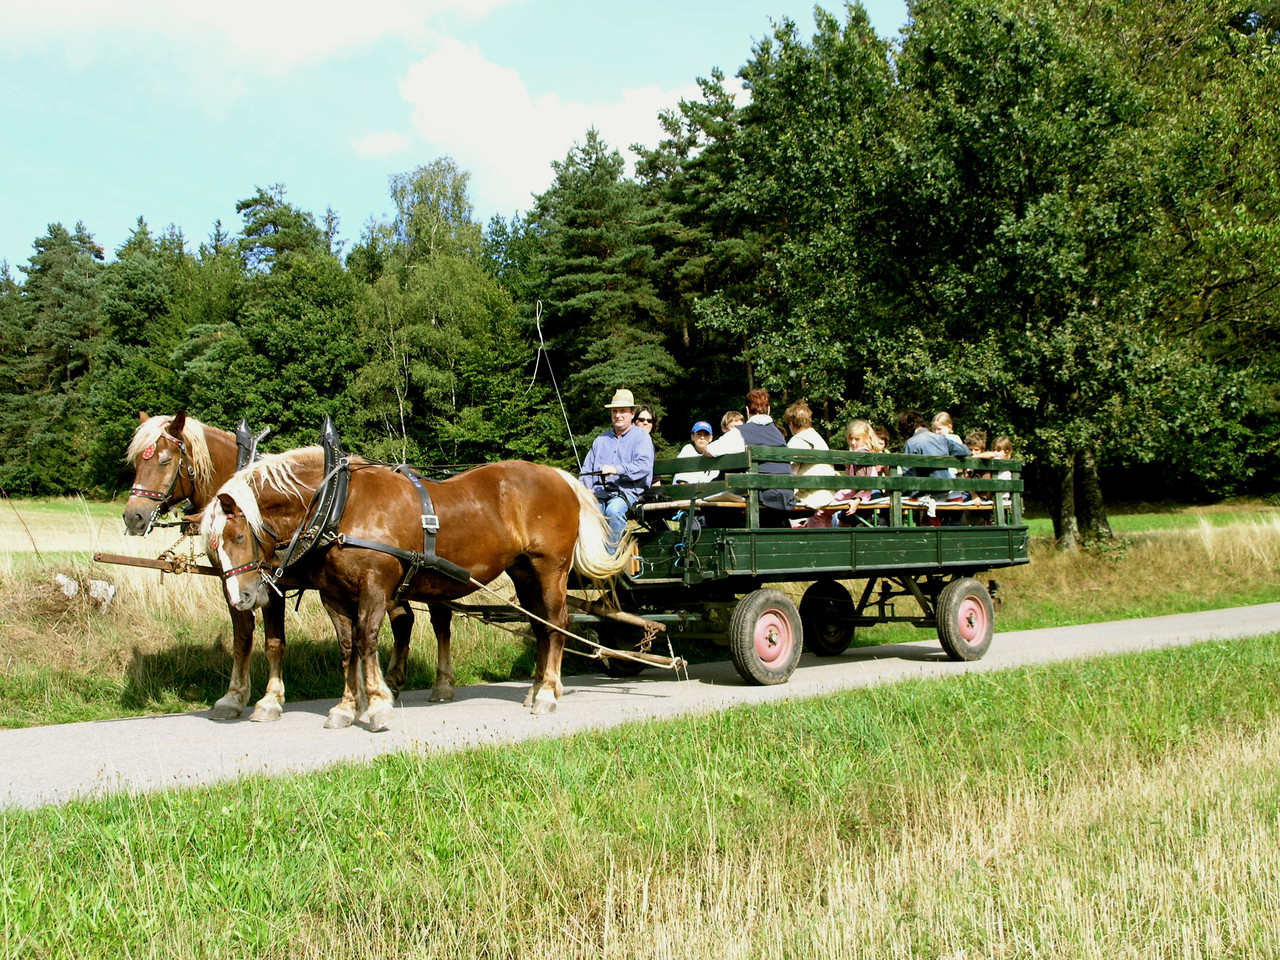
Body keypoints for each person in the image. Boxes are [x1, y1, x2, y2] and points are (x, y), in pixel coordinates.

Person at [580, 388, 654, 549]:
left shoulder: (641, 437)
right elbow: (586, 469)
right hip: (599, 493)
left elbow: (644, 466)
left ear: (632, 414)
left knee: (613, 511)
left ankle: (610, 557)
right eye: (614, 411)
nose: (618, 415)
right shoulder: (601, 440)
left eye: (622, 411)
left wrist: (617, 469)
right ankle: (590, 553)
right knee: (587, 511)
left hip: (627, 492)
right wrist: (587, 488)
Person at [702, 388, 794, 514]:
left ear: (747, 410)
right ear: (768, 410)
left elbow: (709, 450)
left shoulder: (741, 433)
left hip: (761, 495)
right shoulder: (779, 434)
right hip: (785, 495)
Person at [898, 409, 970, 525]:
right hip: (947, 487)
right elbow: (965, 451)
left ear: (906, 427)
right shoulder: (941, 438)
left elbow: (908, 477)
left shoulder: (911, 443)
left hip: (926, 492)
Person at [785, 401, 836, 509]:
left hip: (811, 496)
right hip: (828, 493)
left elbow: (789, 470)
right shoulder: (817, 438)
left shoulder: (798, 440)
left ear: (791, 423)